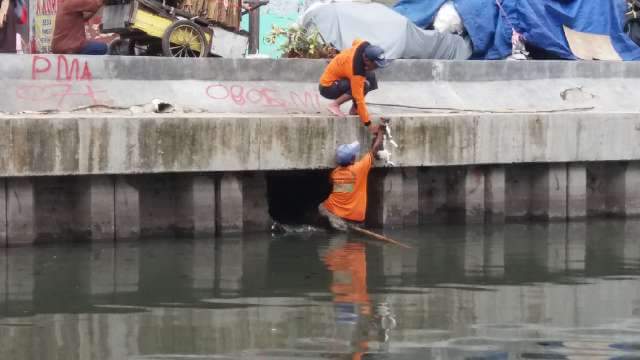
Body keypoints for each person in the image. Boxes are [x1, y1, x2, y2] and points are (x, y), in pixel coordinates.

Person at [318, 128, 384, 231]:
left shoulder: (335, 173)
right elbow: (374, 150)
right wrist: (381, 132)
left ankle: (335, 223)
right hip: (356, 218)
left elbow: (331, 182)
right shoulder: (360, 168)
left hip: (335, 211)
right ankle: (339, 224)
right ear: (353, 159)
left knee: (321, 207)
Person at [318, 39, 391, 134]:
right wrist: (369, 125)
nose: (378, 68)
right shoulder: (357, 72)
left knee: (371, 76)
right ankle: (334, 105)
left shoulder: (364, 45)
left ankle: (354, 109)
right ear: (367, 61)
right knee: (364, 85)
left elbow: (355, 41)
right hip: (327, 87)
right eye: (376, 65)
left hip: (340, 78)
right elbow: (359, 99)